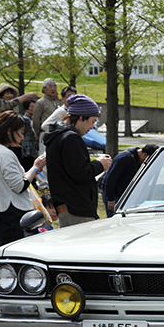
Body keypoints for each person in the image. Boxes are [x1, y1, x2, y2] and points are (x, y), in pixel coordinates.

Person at [43, 94, 112, 228]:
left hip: (68, 207)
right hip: (76, 208)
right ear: (81, 117)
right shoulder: (70, 138)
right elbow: (80, 173)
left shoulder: (58, 135)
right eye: (92, 121)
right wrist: (100, 164)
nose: (92, 127)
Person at [0, 111, 47, 247]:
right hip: (13, 212)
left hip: (4, 211)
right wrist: (35, 168)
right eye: (20, 133)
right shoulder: (5, 153)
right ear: (10, 131)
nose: (22, 137)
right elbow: (19, 185)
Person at [101, 143, 158, 217]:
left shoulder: (137, 160)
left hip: (123, 194)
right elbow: (110, 180)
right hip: (113, 194)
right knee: (115, 219)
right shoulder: (124, 158)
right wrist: (111, 200)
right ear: (145, 155)